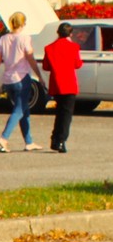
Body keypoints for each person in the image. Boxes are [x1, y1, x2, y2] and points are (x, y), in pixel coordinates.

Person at [0, 11, 46, 152]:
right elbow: (30, 58)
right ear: (23, 23)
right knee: (19, 110)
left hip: (8, 79)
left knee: (24, 109)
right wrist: (40, 76)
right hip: (21, 77)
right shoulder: (25, 38)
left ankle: (29, 141)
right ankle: (4, 138)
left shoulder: (3, 39)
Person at [42, 21, 84, 153]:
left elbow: (46, 66)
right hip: (69, 83)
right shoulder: (74, 47)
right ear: (70, 34)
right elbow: (78, 64)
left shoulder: (49, 48)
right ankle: (60, 140)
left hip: (56, 84)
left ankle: (55, 139)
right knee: (66, 115)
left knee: (60, 112)